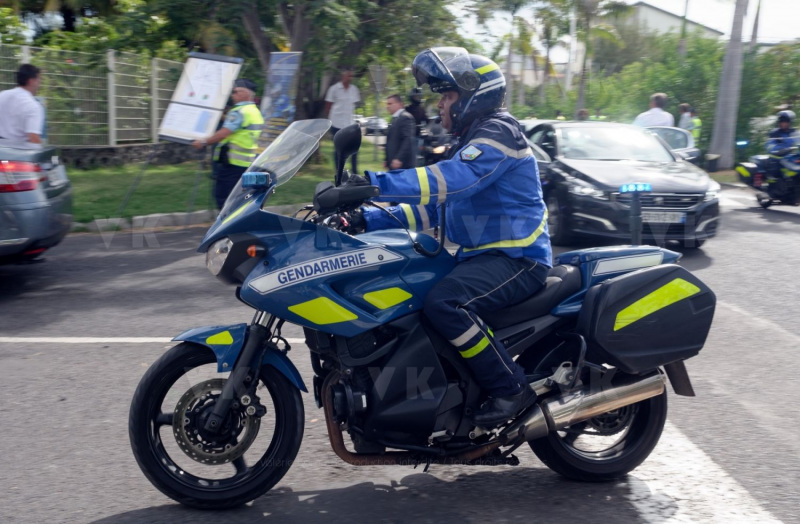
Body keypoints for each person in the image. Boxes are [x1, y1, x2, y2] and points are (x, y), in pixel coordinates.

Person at [347, 48, 552, 428]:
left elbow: (452, 182)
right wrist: (364, 220)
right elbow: (434, 210)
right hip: (483, 258)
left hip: (519, 259)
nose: (440, 105)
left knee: (446, 302)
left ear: (475, 95)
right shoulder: (471, 141)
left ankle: (510, 388)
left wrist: (372, 184)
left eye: (447, 96)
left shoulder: (499, 133)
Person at [192, 79, 264, 209]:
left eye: (236, 92)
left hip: (232, 164)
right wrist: (222, 117)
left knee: (223, 197)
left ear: (245, 94)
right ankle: (241, 224)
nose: (233, 95)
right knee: (242, 198)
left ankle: (226, 226)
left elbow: (225, 132)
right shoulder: (254, 111)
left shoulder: (239, 112)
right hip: (247, 163)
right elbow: (240, 127)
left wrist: (203, 142)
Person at [325, 68, 361, 177]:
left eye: (351, 76)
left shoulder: (354, 89)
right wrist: (330, 121)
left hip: (349, 123)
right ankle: (339, 171)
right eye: (348, 76)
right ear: (342, 76)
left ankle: (355, 172)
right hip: (337, 123)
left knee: (354, 148)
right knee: (338, 149)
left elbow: (354, 105)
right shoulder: (334, 89)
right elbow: (328, 106)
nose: (350, 78)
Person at [0, 64, 45, 145]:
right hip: (18, 154)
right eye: (39, 80)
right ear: (31, 81)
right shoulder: (33, 106)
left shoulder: (2, 95)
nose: (39, 83)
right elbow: (33, 138)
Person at [384, 94, 417, 170]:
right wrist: (386, 159)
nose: (387, 106)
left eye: (390, 104)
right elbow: (390, 140)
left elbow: (408, 139)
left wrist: (399, 159)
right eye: (387, 104)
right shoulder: (395, 119)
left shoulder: (406, 117)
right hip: (393, 163)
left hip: (402, 164)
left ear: (399, 104)